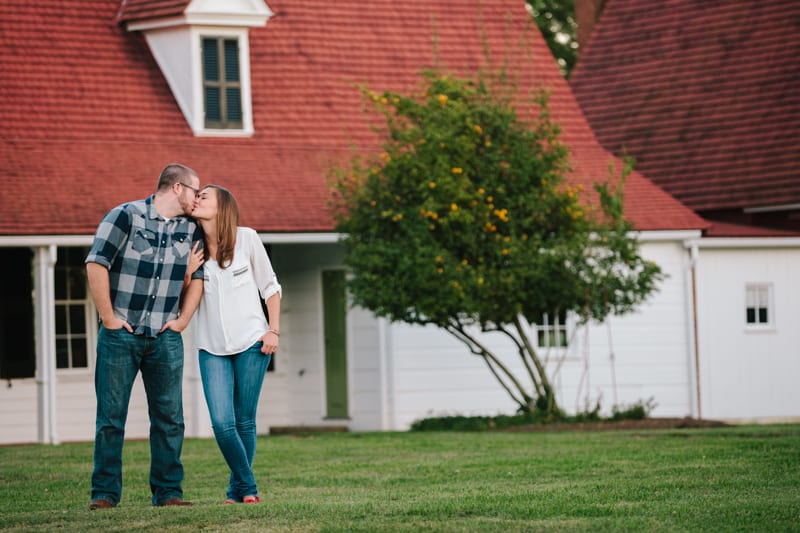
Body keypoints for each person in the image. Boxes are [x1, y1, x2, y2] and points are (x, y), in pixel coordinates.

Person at [85, 163, 205, 510]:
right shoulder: (125, 216)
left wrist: (183, 321)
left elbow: (198, 279)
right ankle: (104, 495)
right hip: (120, 335)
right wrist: (108, 318)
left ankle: (168, 493)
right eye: (196, 191)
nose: (198, 199)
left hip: (165, 338)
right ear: (178, 188)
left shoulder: (192, 230)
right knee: (111, 419)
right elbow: (97, 264)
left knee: (170, 419)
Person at [189, 184, 281, 504]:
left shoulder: (248, 239)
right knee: (221, 423)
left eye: (204, 196)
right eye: (196, 196)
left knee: (244, 421)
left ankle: (236, 491)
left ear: (222, 206)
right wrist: (187, 273)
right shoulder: (190, 247)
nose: (196, 199)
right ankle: (247, 485)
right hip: (210, 347)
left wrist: (274, 330)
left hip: (253, 343)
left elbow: (270, 287)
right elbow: (181, 300)